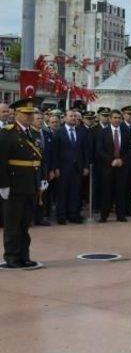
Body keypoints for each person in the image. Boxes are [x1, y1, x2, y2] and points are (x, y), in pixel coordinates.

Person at [0, 98, 48, 268]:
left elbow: (38, 159)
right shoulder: (7, 133)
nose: (29, 117)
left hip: (30, 184)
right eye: (26, 114)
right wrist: (3, 185)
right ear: (17, 114)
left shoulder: (33, 133)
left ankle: (24, 255)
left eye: (31, 114)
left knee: (25, 223)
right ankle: (12, 256)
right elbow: (2, 161)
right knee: (12, 224)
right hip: (14, 184)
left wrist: (42, 178)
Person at [53, 110, 89, 224]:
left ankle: (74, 214)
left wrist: (85, 166)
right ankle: (61, 216)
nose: (73, 118)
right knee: (62, 192)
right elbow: (55, 152)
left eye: (75, 116)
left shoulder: (81, 132)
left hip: (77, 167)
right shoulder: (59, 132)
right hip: (63, 168)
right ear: (65, 118)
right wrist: (56, 168)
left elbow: (85, 151)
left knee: (75, 192)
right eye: (71, 116)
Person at [95, 110, 130, 222]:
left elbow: (130, 150)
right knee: (106, 192)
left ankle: (121, 215)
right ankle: (104, 215)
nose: (117, 120)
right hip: (107, 167)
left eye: (119, 118)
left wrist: (121, 160)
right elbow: (99, 150)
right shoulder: (103, 132)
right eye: (115, 118)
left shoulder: (126, 131)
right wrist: (112, 160)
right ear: (110, 119)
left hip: (121, 167)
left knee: (121, 191)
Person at [31, 110, 53, 226]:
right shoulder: (29, 134)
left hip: (44, 169)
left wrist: (51, 169)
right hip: (32, 169)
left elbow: (51, 153)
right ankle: (30, 217)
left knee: (43, 193)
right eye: (37, 119)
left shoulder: (46, 133)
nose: (40, 121)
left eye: (41, 118)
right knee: (32, 193)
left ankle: (40, 217)